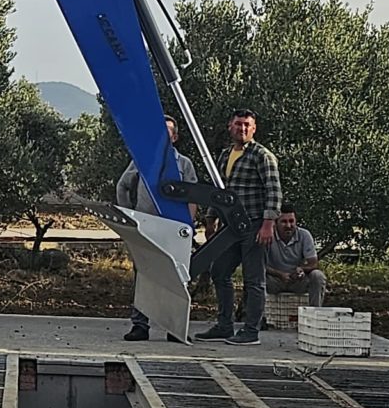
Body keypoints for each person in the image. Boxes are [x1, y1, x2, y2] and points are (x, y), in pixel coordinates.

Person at [195, 109, 282, 345]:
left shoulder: (262, 156)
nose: (242, 129)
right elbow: (219, 191)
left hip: (254, 224)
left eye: (246, 125)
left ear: (254, 129)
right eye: (238, 124)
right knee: (219, 271)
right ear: (230, 126)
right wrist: (211, 218)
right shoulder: (225, 155)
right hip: (230, 226)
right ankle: (224, 325)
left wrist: (268, 223)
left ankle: (251, 331)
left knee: (254, 280)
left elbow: (274, 191)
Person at [116, 116, 199, 342]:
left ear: (175, 136)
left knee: (177, 278)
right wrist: (129, 217)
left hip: (174, 229)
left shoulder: (184, 164)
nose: (163, 134)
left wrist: (189, 225)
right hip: (146, 227)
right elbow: (123, 186)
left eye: (168, 130)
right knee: (143, 275)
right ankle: (140, 325)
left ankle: (175, 328)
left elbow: (193, 195)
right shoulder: (141, 161)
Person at [263, 206, 325, 314]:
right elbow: (259, 264)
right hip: (274, 280)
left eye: (291, 221)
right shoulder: (268, 235)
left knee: (318, 276)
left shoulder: (304, 235)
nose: (288, 225)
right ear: (276, 223)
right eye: (284, 222)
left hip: (297, 280)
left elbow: (313, 263)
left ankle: (314, 314)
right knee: (255, 276)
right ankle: (258, 316)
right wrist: (280, 274)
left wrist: (302, 269)